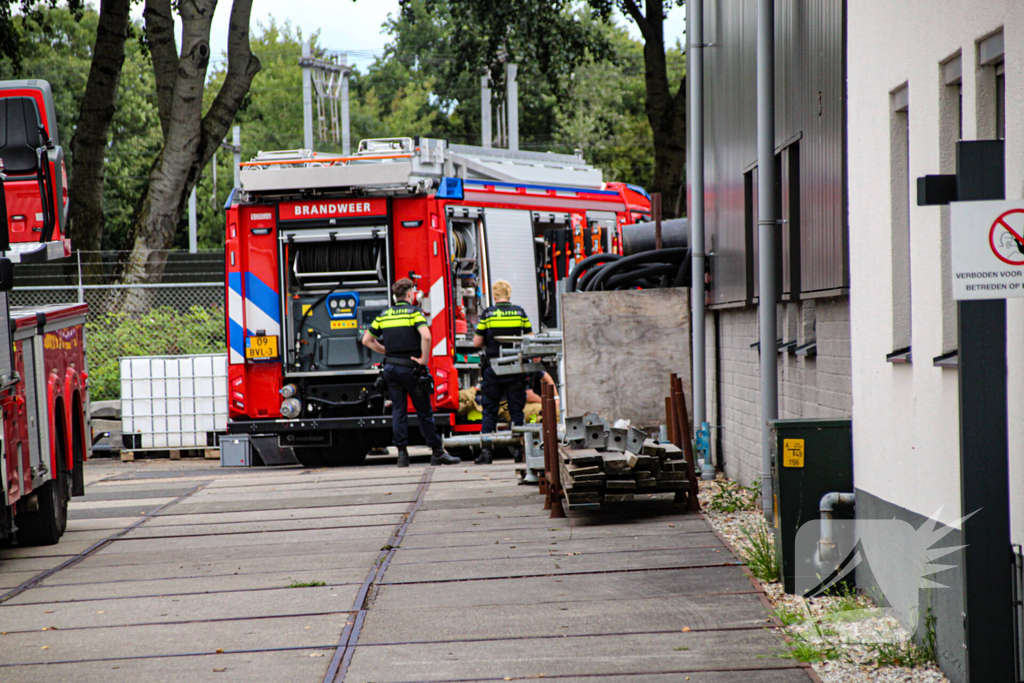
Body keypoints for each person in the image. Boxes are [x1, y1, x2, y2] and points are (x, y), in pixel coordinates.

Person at [362, 278, 460, 468]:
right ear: (409, 294)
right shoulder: (414, 313)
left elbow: (366, 340)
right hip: (410, 368)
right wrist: (423, 359)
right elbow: (426, 335)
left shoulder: (385, 315)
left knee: (399, 411)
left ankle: (402, 456)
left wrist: (387, 351)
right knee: (424, 411)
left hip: (390, 369)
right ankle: (437, 452)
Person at [473, 279, 533, 464]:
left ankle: (486, 452)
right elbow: (530, 339)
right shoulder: (519, 313)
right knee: (516, 411)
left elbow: (477, 342)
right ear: (509, 295)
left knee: (489, 411)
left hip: (493, 369)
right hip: (515, 368)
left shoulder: (488, 315)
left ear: (495, 295)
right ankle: (518, 451)